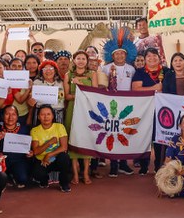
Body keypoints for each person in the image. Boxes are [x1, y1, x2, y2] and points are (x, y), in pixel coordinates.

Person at [101, 27, 137, 177]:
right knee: (112, 133)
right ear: (112, 55)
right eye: (117, 53)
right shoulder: (105, 68)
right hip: (112, 106)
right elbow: (102, 87)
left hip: (127, 105)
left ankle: (123, 163)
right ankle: (113, 164)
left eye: (123, 53)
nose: (120, 55)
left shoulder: (132, 69)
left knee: (124, 133)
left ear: (126, 55)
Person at [64, 50, 98, 184]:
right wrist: (79, 95)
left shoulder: (92, 74)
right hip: (73, 108)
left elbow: (94, 93)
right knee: (73, 139)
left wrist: (80, 85)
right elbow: (67, 96)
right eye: (78, 58)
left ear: (87, 61)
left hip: (87, 110)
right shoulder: (68, 75)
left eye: (83, 59)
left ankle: (85, 172)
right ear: (74, 60)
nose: (81, 61)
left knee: (86, 139)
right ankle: (75, 174)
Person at [132, 48, 166, 175]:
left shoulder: (166, 71)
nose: (152, 58)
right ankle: (144, 165)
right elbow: (135, 89)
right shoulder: (140, 72)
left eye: (154, 56)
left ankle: (159, 165)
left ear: (159, 57)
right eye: (149, 56)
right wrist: (154, 88)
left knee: (160, 137)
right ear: (145, 59)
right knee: (144, 136)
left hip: (162, 109)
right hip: (144, 109)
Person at [30, 106, 73, 192]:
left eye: (48, 114)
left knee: (64, 158)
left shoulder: (59, 127)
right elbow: (36, 151)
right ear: (38, 117)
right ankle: (44, 180)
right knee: (37, 173)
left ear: (53, 116)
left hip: (57, 159)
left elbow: (64, 147)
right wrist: (49, 142)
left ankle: (64, 183)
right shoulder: (34, 130)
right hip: (43, 161)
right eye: (42, 114)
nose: (46, 117)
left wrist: (49, 154)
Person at [0, 105, 32, 188]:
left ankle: (13, 174)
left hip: (18, 160)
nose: (10, 117)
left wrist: (30, 153)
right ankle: (7, 175)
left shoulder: (24, 129)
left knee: (22, 179)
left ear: (17, 116)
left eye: (13, 114)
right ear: (2, 116)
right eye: (7, 114)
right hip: (2, 160)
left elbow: (30, 148)